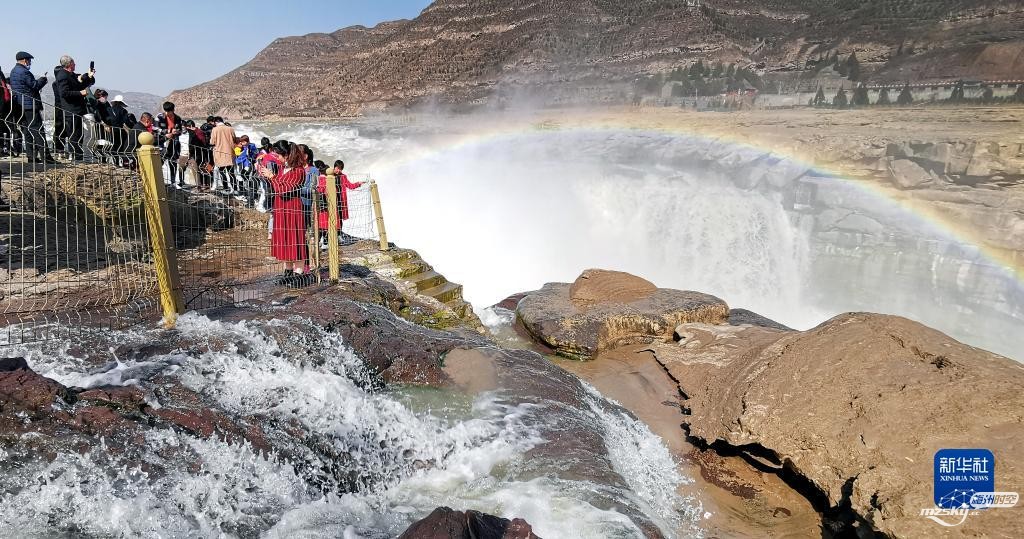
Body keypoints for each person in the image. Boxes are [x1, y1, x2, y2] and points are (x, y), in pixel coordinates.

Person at [259, 143, 308, 286]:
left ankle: (298, 275)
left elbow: (286, 190)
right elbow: (278, 186)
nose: (277, 157)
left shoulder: (298, 171)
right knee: (285, 241)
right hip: (281, 209)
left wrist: (272, 177)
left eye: (279, 155)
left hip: (292, 209)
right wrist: (270, 177)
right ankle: (287, 273)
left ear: (287, 155)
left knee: (295, 240)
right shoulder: (283, 169)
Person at [9, 51, 53, 164]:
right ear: (24, 60)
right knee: (38, 131)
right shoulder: (24, 72)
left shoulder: (14, 71)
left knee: (27, 131)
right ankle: (46, 158)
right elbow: (34, 85)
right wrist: (43, 79)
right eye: (29, 60)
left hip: (19, 105)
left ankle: (31, 156)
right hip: (30, 105)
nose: (29, 63)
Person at [53, 55, 95, 160]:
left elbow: (80, 84)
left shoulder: (70, 75)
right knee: (74, 134)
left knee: (79, 133)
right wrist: (80, 93)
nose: (75, 64)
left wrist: (89, 76)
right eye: (74, 63)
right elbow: (64, 93)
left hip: (78, 109)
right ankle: (76, 156)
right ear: (69, 64)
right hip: (71, 109)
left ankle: (78, 155)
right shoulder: (62, 75)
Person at [156, 101, 184, 187]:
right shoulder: (159, 117)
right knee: (159, 162)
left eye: (169, 111)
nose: (167, 113)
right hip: (162, 143)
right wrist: (167, 132)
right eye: (166, 111)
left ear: (173, 110)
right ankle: (159, 181)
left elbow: (181, 131)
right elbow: (155, 128)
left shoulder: (178, 118)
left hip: (173, 143)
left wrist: (177, 132)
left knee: (173, 163)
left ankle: (172, 182)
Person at [209, 117, 238, 193]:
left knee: (221, 171)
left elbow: (212, 142)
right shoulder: (230, 129)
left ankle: (225, 188)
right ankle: (235, 189)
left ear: (216, 122)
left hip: (219, 153)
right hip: (230, 153)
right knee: (231, 173)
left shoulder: (215, 129)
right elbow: (234, 139)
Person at [234, 135, 258, 204]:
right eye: (241, 142)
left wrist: (251, 156)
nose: (241, 143)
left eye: (242, 142)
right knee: (243, 175)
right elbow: (242, 155)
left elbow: (255, 153)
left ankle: (250, 192)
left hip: (249, 164)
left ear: (246, 141)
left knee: (247, 177)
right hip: (244, 163)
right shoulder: (245, 147)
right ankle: (247, 189)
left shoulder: (251, 146)